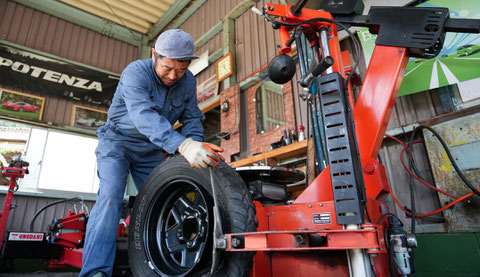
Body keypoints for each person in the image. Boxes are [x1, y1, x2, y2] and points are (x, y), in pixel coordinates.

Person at [80, 29, 224, 277]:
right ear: (154, 54)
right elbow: (143, 117)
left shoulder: (188, 81)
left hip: (151, 150)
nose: (172, 76)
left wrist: (196, 147)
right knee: (111, 198)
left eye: (180, 70)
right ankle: (95, 271)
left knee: (170, 201)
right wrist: (183, 146)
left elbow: (191, 118)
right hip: (117, 143)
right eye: (167, 68)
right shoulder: (135, 73)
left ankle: (168, 266)